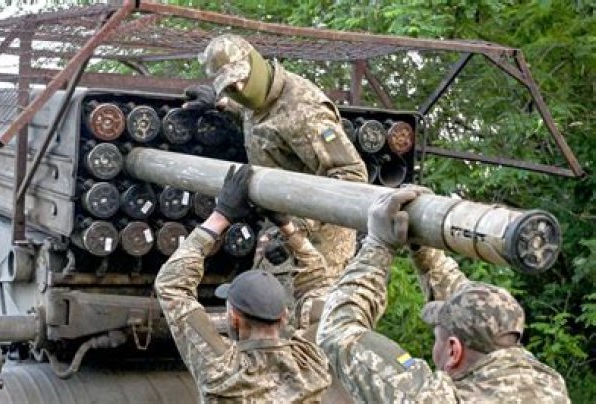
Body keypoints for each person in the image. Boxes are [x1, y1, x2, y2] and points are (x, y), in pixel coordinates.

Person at [316, 189, 570, 403]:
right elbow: (473, 307)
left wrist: (378, 245)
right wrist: (422, 242)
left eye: (437, 337)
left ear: (453, 350)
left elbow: (337, 333)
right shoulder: (548, 385)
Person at [184, 34, 368, 281]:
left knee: (305, 305)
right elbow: (261, 120)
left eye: (241, 80)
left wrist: (297, 227)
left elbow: (352, 177)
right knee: (261, 300)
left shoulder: (304, 110)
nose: (240, 90)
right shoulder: (260, 96)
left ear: (256, 63)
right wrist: (222, 103)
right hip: (280, 226)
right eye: (230, 86)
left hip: (319, 245)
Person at [154, 164, 332, 402]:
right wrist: (287, 226)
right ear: (284, 316)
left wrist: (221, 215)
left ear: (234, 319)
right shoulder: (311, 364)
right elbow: (319, 281)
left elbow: (171, 284)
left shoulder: (223, 370)